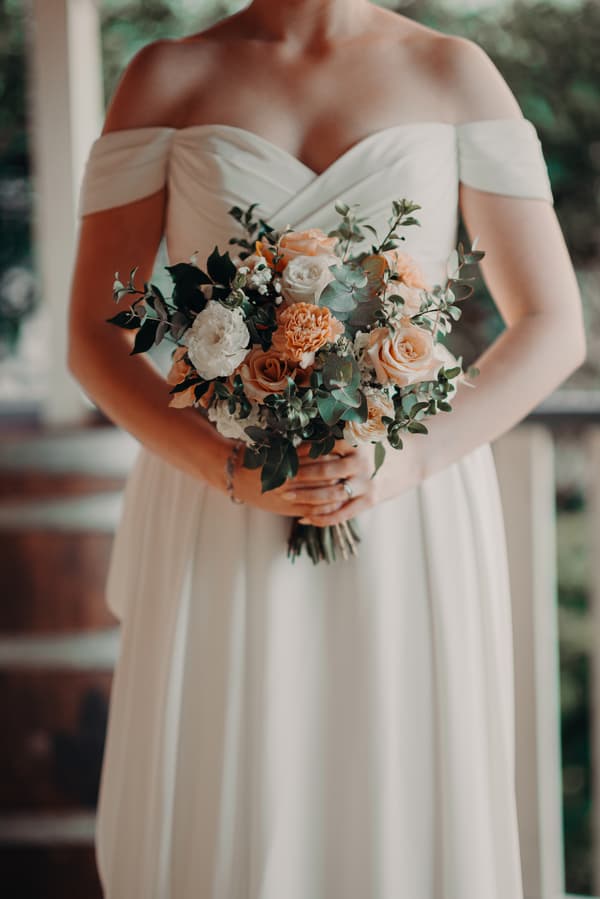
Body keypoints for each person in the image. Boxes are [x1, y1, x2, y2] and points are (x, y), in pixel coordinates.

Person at [67, 1, 586, 896]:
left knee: (395, 788)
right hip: (217, 496)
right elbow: (92, 336)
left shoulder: (452, 73)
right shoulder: (167, 75)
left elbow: (552, 326)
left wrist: (408, 461)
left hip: (402, 500)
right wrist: (226, 466)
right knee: (232, 774)